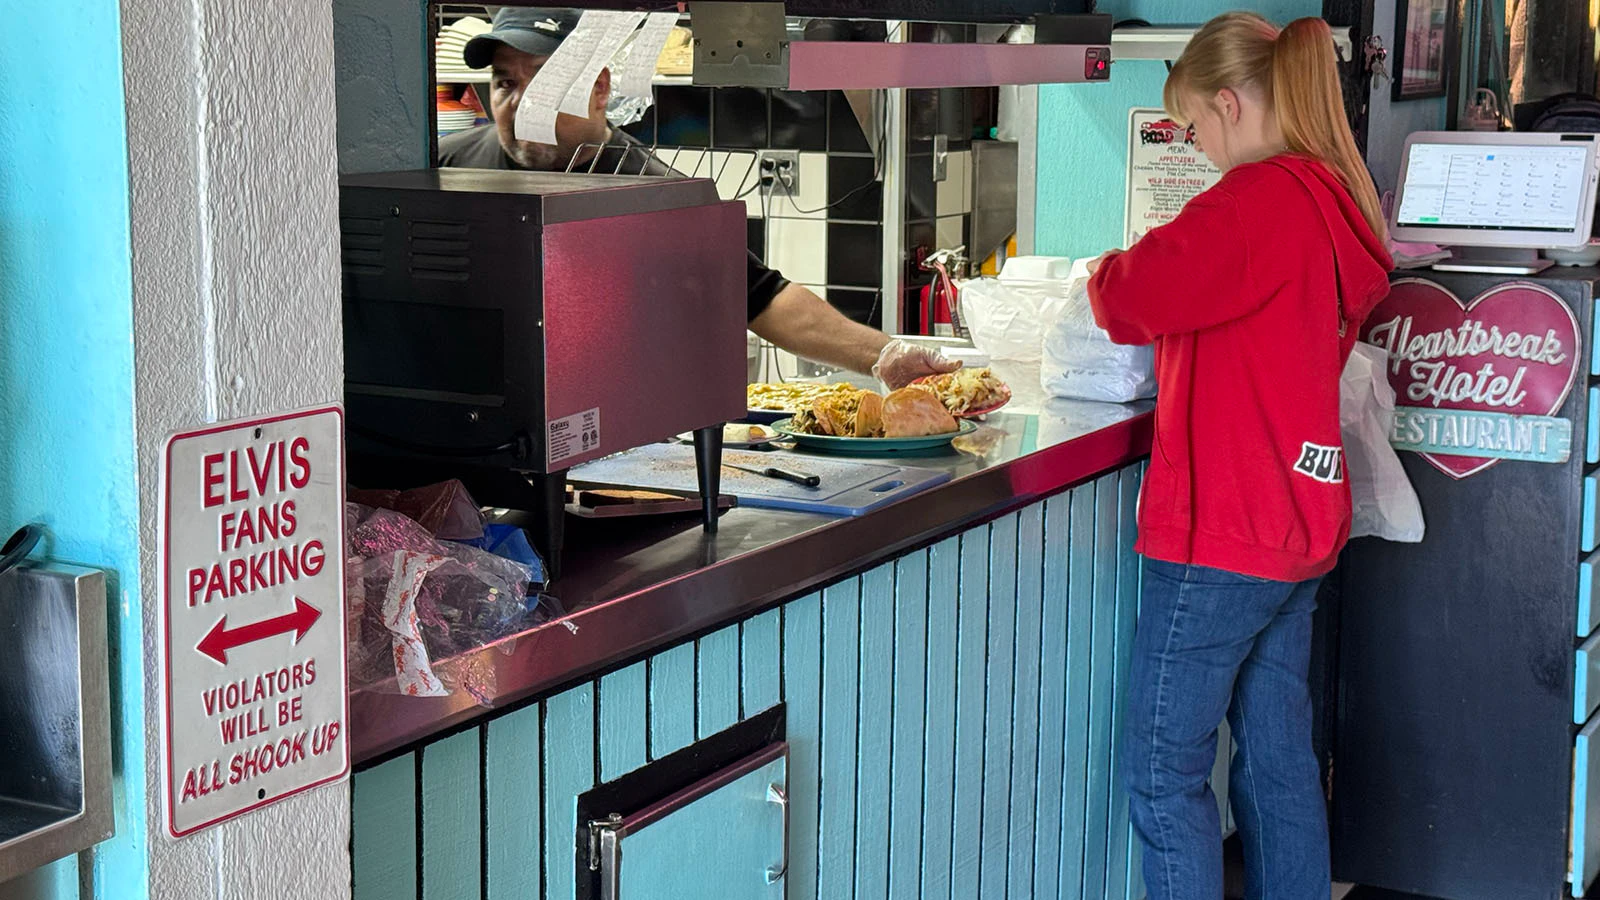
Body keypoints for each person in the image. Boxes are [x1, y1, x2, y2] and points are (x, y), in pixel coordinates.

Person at [1085, 13, 1393, 900]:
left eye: (1192, 127)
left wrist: (1101, 270)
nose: (1194, 146)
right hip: (1299, 518)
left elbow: (1128, 297)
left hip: (1223, 525)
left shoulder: (1255, 201)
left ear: (1227, 103)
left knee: (1162, 772)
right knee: (1276, 763)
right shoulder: (1331, 196)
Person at [441, 8, 956, 390]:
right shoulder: (446, 170)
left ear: (599, 88)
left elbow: (762, 297)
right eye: (505, 82)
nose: (519, 102)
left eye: (546, 83)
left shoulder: (651, 190)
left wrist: (884, 354)